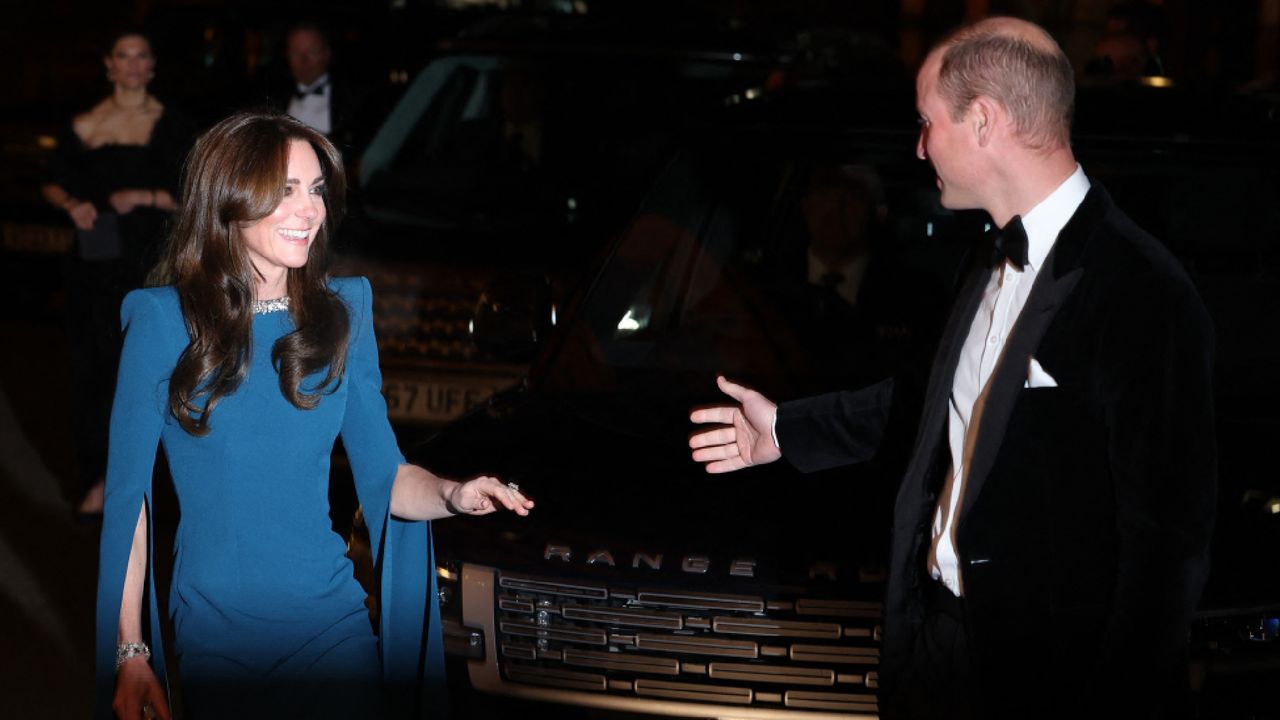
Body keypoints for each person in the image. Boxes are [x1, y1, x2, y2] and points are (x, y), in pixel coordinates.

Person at [690, 16, 1215, 720]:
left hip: (1047, 680)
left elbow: (1166, 553)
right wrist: (785, 430)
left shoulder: (1144, 291)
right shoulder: (983, 256)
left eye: (925, 122)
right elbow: (937, 405)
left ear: (984, 120)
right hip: (934, 649)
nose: (917, 146)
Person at [94, 111, 534, 720]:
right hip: (218, 638)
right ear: (230, 198)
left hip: (333, 625)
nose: (311, 209)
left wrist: (455, 493)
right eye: (286, 191)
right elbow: (130, 504)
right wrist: (130, 650)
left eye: (317, 189)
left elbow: (387, 478)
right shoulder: (163, 322)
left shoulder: (342, 313)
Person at [41, 28, 193, 518]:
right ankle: (97, 479)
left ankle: (154, 482)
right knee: (92, 371)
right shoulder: (86, 122)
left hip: (150, 263)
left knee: (151, 369)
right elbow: (51, 180)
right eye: (122, 56)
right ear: (109, 64)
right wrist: (73, 204)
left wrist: (143, 197)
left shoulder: (171, 124)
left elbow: (195, 195)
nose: (131, 65)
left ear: (152, 64)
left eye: (141, 55)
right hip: (94, 259)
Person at [265, 21, 366, 154]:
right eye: (296, 52)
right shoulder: (271, 99)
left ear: (327, 54)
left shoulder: (353, 99)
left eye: (312, 51)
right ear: (287, 56)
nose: (303, 60)